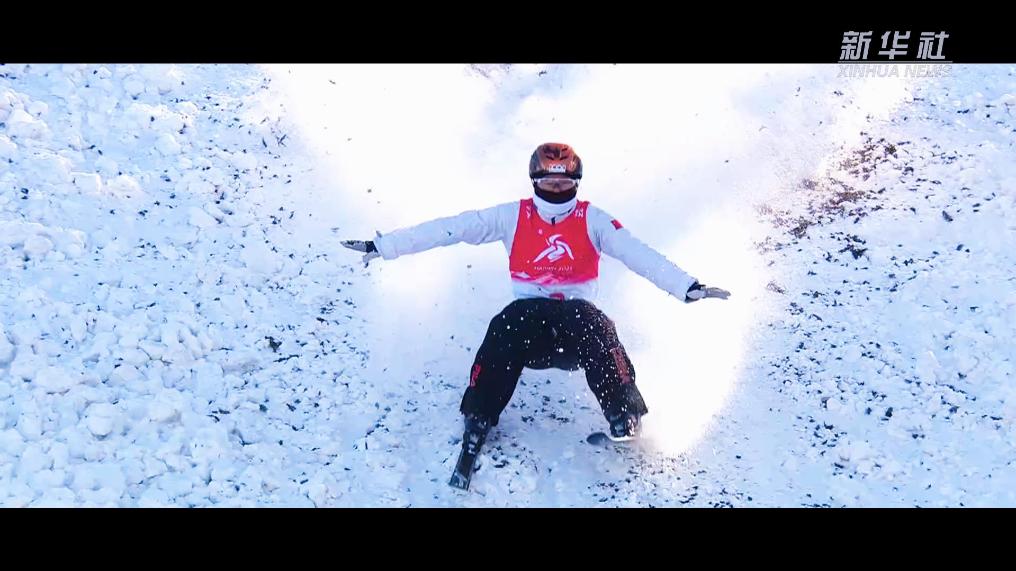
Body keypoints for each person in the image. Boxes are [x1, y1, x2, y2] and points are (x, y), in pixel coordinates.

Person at [342, 142, 730, 464]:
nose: (557, 190)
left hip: (577, 332)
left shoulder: (592, 219)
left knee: (593, 319)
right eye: (549, 182)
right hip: (529, 333)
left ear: (576, 183)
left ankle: (624, 414)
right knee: (508, 320)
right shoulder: (512, 216)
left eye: (565, 183)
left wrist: (686, 286)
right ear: (535, 181)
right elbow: (451, 228)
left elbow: (638, 254)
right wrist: (386, 246)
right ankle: (479, 414)